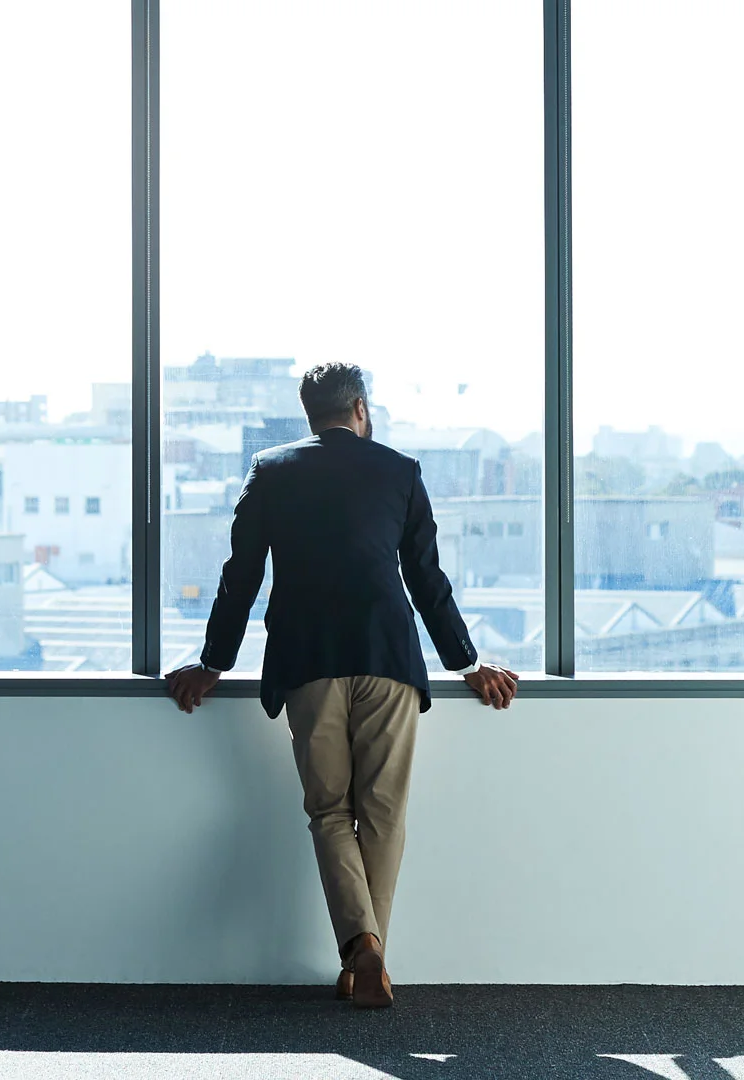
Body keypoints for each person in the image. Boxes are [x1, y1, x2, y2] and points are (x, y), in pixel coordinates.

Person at [165, 361, 520, 1010]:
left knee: (330, 810)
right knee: (381, 812)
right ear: (360, 408)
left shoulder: (271, 471)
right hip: (388, 655)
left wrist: (212, 662)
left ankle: (362, 950)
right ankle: (368, 953)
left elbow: (239, 575)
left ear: (310, 412)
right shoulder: (400, 471)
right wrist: (469, 664)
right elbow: (427, 580)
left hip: (308, 660)